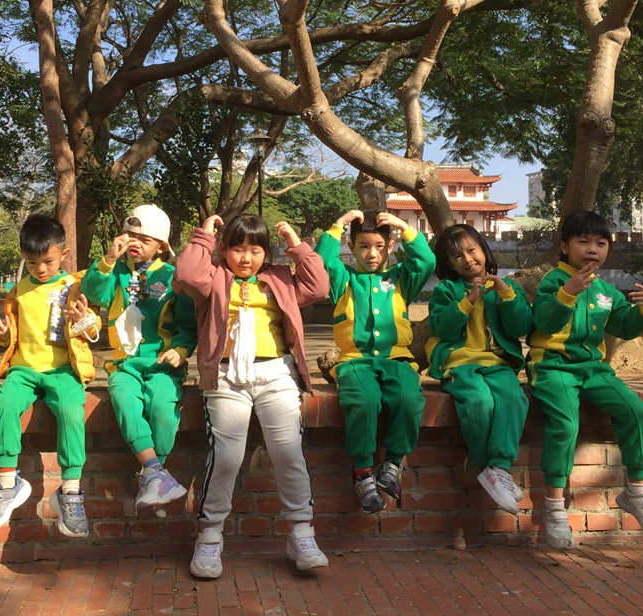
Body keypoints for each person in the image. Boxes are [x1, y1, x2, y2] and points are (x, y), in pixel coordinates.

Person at [174, 214, 330, 579]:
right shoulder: (214, 277)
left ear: (267, 253)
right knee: (227, 456)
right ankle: (210, 535)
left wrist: (296, 244)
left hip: (276, 374)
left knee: (288, 452)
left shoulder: (280, 278)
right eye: (238, 249)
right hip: (226, 376)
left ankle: (301, 533)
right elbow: (186, 275)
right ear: (224, 249)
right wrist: (203, 236)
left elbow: (319, 286)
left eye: (256, 250)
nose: (246, 258)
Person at [528, 210, 643, 549]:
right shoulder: (553, 281)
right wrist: (568, 292)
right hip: (554, 367)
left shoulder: (606, 290)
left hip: (594, 369)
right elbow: (544, 322)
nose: (593, 249)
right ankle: (554, 507)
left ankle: (637, 491)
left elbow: (623, 325)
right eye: (584, 241)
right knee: (566, 424)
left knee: (636, 410)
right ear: (565, 246)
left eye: (601, 243)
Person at [0, 215, 101, 538]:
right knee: (4, 402)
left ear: (64, 254)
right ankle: (7, 483)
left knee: (72, 410)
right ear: (23, 257)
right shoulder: (17, 291)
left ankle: (70, 490)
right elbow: (11, 336)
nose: (41, 269)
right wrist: (0, 334)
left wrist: (85, 319)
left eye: (48, 261)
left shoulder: (73, 286)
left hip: (63, 371)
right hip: (24, 370)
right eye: (32, 263)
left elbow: (93, 329)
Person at [315, 210, 436, 513]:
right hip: (355, 362)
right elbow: (321, 262)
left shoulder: (400, 279)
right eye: (364, 246)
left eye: (380, 246)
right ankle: (362, 471)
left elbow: (426, 261)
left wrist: (403, 227)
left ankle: (393, 462)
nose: (372, 254)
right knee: (364, 400)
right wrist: (338, 224)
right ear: (351, 247)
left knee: (409, 398)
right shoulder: (344, 280)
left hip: (397, 359)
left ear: (391, 246)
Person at [80, 205, 197, 513]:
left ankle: (154, 476)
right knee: (125, 400)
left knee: (162, 407)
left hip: (162, 365)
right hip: (124, 365)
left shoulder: (173, 277)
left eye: (145, 240)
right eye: (131, 236)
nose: (135, 244)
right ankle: (157, 474)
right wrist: (108, 259)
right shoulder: (116, 272)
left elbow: (187, 325)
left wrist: (181, 351)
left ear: (161, 246)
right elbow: (92, 291)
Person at [425, 224, 531, 514]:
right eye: (457, 256)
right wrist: (468, 300)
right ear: (450, 264)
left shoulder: (506, 288)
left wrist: (507, 295)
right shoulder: (447, 290)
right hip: (459, 363)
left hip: (497, 363)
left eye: (472, 250)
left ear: (484, 249)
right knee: (479, 401)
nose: (468, 259)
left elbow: (521, 326)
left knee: (514, 397)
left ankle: (498, 467)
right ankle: (493, 470)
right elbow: (442, 328)